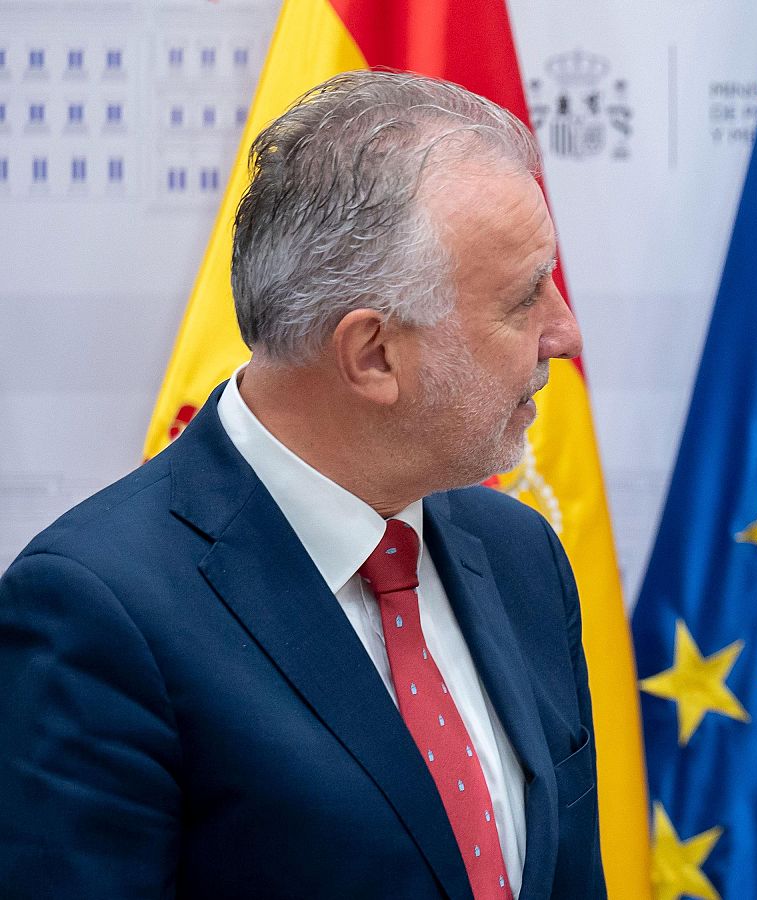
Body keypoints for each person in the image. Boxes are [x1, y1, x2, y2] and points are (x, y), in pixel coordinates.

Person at [0, 71, 606, 899]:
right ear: (374, 355)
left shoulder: (520, 553)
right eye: (522, 298)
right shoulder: (98, 613)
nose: (564, 334)